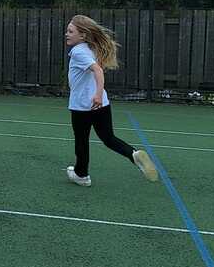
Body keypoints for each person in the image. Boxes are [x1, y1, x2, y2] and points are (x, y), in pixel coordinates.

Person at [63, 15, 157, 187]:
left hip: (82, 106)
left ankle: (82, 175)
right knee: (109, 138)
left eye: (70, 31)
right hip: (102, 105)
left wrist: (97, 94)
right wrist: (100, 96)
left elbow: (98, 71)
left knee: (81, 141)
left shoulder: (78, 52)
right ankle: (133, 154)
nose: (66, 34)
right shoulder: (92, 48)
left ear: (83, 35)